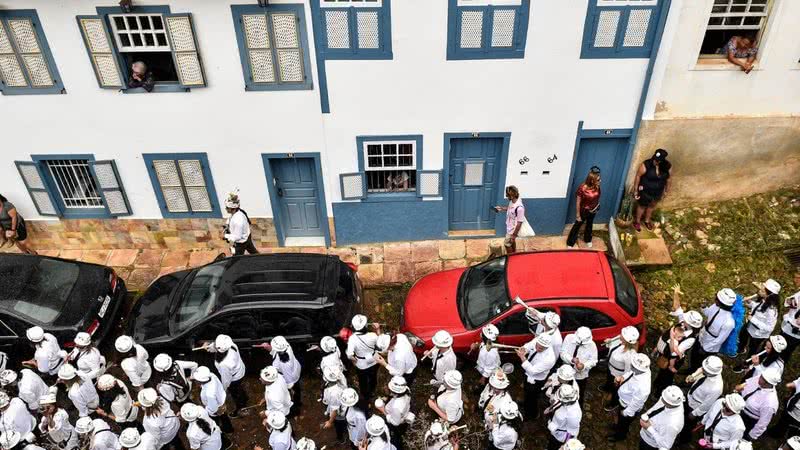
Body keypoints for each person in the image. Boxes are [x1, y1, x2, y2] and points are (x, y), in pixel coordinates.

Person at [653, 286, 703, 392]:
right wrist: (675, 293)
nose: (683, 318)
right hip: (664, 351)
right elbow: (677, 308)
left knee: (666, 375)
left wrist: (671, 338)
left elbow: (674, 353)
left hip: (671, 358)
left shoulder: (690, 339)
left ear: (690, 324)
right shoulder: (683, 323)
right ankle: (658, 383)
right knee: (661, 372)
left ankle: (661, 390)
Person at [678, 356, 724, 445]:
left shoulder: (716, 388)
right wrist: (693, 376)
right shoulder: (707, 369)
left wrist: (694, 413)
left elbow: (707, 405)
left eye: (706, 370)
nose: (703, 370)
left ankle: (683, 441)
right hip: (690, 396)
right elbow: (701, 369)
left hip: (694, 407)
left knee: (687, 426)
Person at [606, 353, 651, 443]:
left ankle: (620, 436)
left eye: (633, 365)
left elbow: (636, 403)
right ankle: (618, 426)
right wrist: (622, 377)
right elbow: (631, 373)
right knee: (620, 420)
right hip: (624, 400)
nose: (630, 366)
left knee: (624, 423)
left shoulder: (643, 387)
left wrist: (626, 412)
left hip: (627, 406)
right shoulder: (641, 370)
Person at [690, 288, 738, 371]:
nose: (714, 299)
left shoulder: (729, 322)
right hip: (702, 335)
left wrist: (705, 348)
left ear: (722, 303)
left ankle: (694, 375)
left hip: (710, 346)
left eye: (717, 298)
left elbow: (720, 340)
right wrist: (704, 307)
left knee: (701, 363)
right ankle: (691, 368)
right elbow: (708, 313)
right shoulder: (716, 306)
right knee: (693, 355)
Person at [202, 334, 247, 418]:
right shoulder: (231, 345)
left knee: (236, 393)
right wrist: (209, 346)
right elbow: (219, 347)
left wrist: (223, 389)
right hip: (239, 370)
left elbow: (226, 380)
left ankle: (241, 407)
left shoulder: (225, 364)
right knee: (239, 389)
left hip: (234, 378)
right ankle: (244, 398)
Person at [735, 366, 781, 441]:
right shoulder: (759, 378)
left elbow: (762, 423)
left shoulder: (770, 403)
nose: (759, 378)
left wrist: (750, 436)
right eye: (761, 376)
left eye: (763, 378)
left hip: (747, 419)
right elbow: (747, 384)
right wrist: (739, 388)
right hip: (738, 405)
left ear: (768, 383)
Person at [517, 333, 556, 419]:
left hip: (536, 380)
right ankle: (525, 402)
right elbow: (529, 345)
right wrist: (524, 349)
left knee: (532, 399)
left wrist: (523, 357)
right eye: (537, 346)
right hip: (527, 371)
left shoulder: (550, 358)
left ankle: (532, 415)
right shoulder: (537, 340)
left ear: (547, 347)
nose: (537, 348)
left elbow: (533, 371)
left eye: (541, 348)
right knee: (527, 392)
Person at [632, 149, 672, 232]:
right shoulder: (646, 164)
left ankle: (647, 220)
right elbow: (638, 176)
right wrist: (636, 189)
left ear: (662, 161)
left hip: (658, 191)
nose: (655, 161)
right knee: (642, 205)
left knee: (652, 206)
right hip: (645, 191)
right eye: (655, 159)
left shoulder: (667, 166)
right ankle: (637, 221)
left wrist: (666, 191)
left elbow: (668, 179)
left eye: (657, 161)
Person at [739, 279, 781, 357]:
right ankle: (741, 348)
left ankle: (748, 363)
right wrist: (749, 303)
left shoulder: (772, 310)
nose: (759, 291)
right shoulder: (764, 300)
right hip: (749, 326)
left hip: (758, 334)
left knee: (752, 348)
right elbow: (758, 308)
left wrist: (753, 319)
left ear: (769, 294)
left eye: (762, 290)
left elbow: (770, 328)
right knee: (742, 335)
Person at [192, 366, 232, 447]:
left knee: (215, 424)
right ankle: (229, 429)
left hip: (216, 408)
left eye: (196, 380)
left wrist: (206, 412)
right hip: (221, 400)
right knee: (224, 416)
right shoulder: (211, 375)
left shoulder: (209, 393)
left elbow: (213, 408)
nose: (195, 381)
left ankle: (225, 439)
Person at [346, 315, 382, 401]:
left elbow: (349, 355)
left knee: (363, 380)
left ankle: (365, 394)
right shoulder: (373, 335)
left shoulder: (352, 339)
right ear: (365, 326)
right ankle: (372, 391)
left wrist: (355, 362)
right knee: (373, 376)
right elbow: (381, 344)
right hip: (374, 360)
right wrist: (377, 329)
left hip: (361, 364)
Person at [639, 386, 685, 450]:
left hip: (650, 443)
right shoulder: (670, 401)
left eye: (664, 400)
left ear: (671, 403)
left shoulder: (673, 424)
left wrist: (649, 428)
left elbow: (665, 445)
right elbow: (657, 407)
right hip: (644, 431)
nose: (661, 399)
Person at [559, 327, 597, 405]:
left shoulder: (592, 345)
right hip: (565, 372)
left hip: (580, 376)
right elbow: (562, 353)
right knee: (563, 389)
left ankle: (576, 407)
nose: (580, 344)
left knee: (579, 393)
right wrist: (571, 359)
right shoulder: (569, 338)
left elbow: (594, 360)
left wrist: (584, 366)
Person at [566, 166, 601, 248]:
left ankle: (588, 239)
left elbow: (597, 197)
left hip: (593, 211)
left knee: (589, 225)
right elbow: (578, 202)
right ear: (592, 180)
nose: (600, 181)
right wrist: (578, 215)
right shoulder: (582, 188)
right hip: (584, 211)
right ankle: (570, 243)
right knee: (577, 226)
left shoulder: (597, 187)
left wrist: (596, 207)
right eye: (598, 180)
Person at [375, 376, 412, 450]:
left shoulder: (396, 407)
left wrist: (383, 410)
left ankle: (397, 445)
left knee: (396, 436)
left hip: (398, 423)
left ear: (394, 392)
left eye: (390, 389)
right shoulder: (406, 389)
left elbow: (395, 422)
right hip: (402, 412)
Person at [600, 326, 640, 395]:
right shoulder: (620, 339)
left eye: (622, 335)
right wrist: (609, 342)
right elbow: (613, 348)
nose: (620, 335)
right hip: (610, 368)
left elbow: (628, 371)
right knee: (609, 380)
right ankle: (607, 388)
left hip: (617, 375)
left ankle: (613, 401)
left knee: (615, 390)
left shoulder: (630, 355)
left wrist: (620, 379)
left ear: (627, 340)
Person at [265, 336, 302, 410]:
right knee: (297, 389)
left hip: (291, 376)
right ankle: (297, 401)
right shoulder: (286, 345)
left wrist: (289, 389)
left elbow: (289, 380)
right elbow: (277, 351)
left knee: (294, 391)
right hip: (295, 369)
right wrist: (269, 348)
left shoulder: (284, 363)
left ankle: (295, 407)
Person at [493, 185, 529, 254]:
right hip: (510, 226)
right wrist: (501, 208)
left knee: (507, 244)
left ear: (512, 196)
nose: (507, 197)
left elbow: (519, 223)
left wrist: (514, 235)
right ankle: (514, 253)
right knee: (512, 242)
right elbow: (510, 209)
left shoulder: (520, 208)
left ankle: (511, 256)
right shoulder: (512, 201)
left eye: (508, 196)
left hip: (513, 229)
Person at [546, 385, 581, 450]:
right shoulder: (566, 399)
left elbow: (572, 432)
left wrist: (566, 444)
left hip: (560, 436)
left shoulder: (574, 415)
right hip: (555, 427)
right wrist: (550, 408)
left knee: (554, 445)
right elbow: (559, 403)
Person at [321, 366, 348, 445]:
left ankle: (341, 439)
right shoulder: (339, 377)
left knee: (339, 425)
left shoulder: (334, 393)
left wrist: (330, 421)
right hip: (339, 404)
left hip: (340, 412)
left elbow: (335, 410)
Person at [769, 375, 800, 440]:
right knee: (782, 423)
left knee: (793, 432)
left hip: (797, 417)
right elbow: (795, 383)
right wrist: (789, 385)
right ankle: (777, 434)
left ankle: (788, 442)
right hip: (790, 409)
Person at [780, 290, 800, 362]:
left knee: (786, 352)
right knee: (777, 345)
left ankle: (778, 366)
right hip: (787, 327)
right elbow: (788, 302)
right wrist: (789, 301)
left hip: (796, 335)